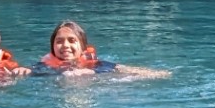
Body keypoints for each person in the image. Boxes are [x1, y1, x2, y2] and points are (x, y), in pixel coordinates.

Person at [35, 21, 167, 77]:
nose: (65, 45)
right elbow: (27, 73)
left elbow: (122, 69)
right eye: (59, 41)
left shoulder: (94, 65)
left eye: (72, 40)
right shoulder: (44, 66)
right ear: (52, 46)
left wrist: (156, 74)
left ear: (82, 47)